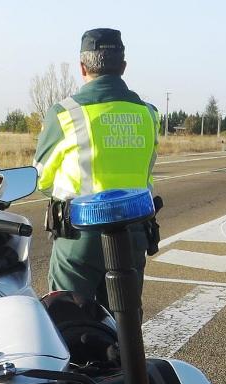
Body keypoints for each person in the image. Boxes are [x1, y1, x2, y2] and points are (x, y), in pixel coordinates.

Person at [34, 28, 160, 309]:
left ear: (82, 67)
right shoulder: (148, 113)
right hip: (134, 230)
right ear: (123, 67)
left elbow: (41, 178)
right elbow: (148, 167)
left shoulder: (65, 113)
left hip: (80, 235)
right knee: (125, 319)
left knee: (67, 317)